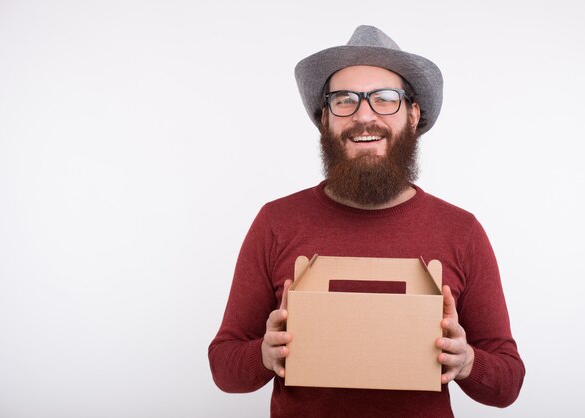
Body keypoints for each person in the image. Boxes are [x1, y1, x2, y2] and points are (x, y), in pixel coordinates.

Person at [209, 25, 525, 417]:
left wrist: (467, 362)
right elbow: (223, 367)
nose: (363, 115)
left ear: (413, 114)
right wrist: (263, 354)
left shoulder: (461, 231)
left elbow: (509, 382)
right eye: (344, 100)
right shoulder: (276, 222)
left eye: (384, 99)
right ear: (325, 118)